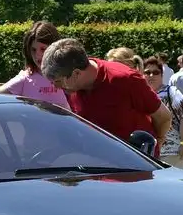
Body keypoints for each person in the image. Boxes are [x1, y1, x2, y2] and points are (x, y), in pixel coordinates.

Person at [40, 38, 171, 156]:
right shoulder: (71, 88)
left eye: (58, 81)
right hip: (98, 166)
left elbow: (163, 117)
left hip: (137, 169)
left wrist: (157, 144)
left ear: (76, 74)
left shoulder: (125, 79)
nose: (56, 87)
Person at [0, 21, 69, 108]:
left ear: (55, 48)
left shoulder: (68, 76)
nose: (37, 55)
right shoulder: (25, 79)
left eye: (43, 49)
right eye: (33, 50)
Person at [142, 56, 183, 167]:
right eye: (147, 72)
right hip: (148, 152)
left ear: (162, 75)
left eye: (155, 72)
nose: (151, 75)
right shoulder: (141, 94)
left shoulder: (171, 92)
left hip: (171, 152)